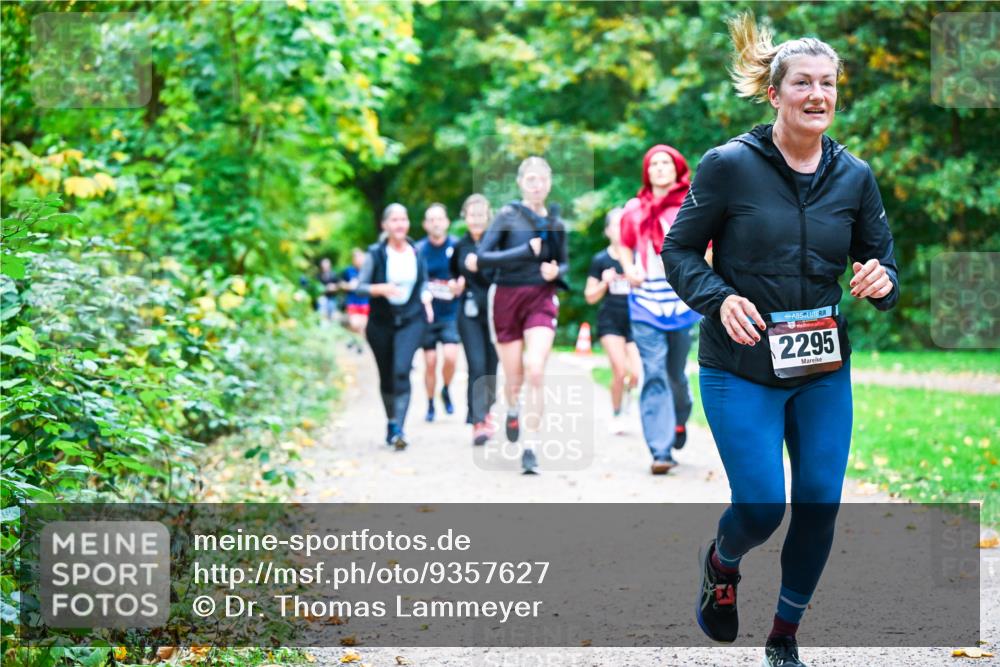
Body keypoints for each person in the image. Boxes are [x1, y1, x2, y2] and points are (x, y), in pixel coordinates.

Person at [661, 14, 899, 667]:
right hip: (741, 364)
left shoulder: (855, 177)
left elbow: (883, 261)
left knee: (820, 500)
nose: (817, 94)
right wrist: (719, 297)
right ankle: (722, 558)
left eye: (828, 83)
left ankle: (784, 634)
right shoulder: (729, 166)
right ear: (775, 93)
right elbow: (679, 251)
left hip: (821, 363)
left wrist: (882, 279)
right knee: (763, 504)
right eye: (803, 83)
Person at [467, 156, 569, 474]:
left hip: (541, 297)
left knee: (535, 369)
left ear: (549, 182)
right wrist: (524, 253)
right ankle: (512, 408)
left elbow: (563, 263)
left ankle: (530, 447)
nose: (537, 185)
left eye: (542, 179)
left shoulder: (555, 222)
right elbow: (481, 257)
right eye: (530, 180)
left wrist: (555, 271)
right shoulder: (508, 216)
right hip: (506, 298)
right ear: (520, 183)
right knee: (514, 379)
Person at [619, 144, 702, 474]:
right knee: (652, 372)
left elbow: (707, 247)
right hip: (644, 304)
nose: (660, 168)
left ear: (678, 168)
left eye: (666, 163)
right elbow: (624, 246)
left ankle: (679, 418)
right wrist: (629, 269)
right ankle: (660, 450)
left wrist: (700, 279)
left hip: (680, 302)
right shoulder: (634, 209)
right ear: (647, 172)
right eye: (654, 164)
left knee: (675, 375)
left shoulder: (691, 205)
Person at [356, 203, 435, 451]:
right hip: (381, 323)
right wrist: (382, 289)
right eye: (395, 220)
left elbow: (423, 282)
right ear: (385, 225)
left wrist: (426, 295)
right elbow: (360, 286)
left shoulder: (416, 251)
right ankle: (391, 422)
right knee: (387, 374)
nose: (400, 224)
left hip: (411, 320)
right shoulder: (376, 253)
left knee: (402, 370)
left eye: (404, 219)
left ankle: (400, 428)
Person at [584, 207, 641, 436]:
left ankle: (626, 403)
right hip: (610, 320)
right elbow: (590, 297)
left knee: (635, 374)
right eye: (616, 225)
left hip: (635, 321)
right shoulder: (601, 260)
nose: (621, 228)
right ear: (608, 230)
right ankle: (616, 413)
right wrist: (604, 282)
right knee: (619, 370)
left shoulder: (637, 257)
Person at [450, 193, 499, 445]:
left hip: (495, 312)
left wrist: (481, 266)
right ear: (465, 218)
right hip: (468, 312)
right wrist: (455, 284)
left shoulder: (497, 244)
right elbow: (452, 275)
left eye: (481, 215)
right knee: (476, 364)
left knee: (492, 366)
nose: (477, 219)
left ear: (488, 217)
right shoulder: (460, 246)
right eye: (472, 215)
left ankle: (486, 412)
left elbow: (504, 275)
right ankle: (478, 421)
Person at [416, 204, 462, 422]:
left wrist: (459, 285)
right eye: (431, 219)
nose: (435, 223)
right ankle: (430, 403)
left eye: (439, 219)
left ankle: (446, 389)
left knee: (451, 358)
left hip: (450, 313)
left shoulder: (456, 246)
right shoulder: (418, 250)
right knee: (431, 361)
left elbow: (465, 275)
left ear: (446, 222)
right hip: (427, 315)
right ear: (425, 224)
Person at [338, 248, 370, 353]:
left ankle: (359, 344)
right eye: (356, 258)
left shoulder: (368, 270)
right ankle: (357, 342)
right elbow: (340, 283)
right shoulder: (348, 271)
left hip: (365, 302)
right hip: (353, 302)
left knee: (363, 325)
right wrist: (349, 286)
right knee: (355, 324)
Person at [316, 257, 339, 324]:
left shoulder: (334, 275)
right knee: (322, 310)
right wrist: (326, 288)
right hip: (322, 297)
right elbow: (317, 288)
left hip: (332, 297)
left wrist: (334, 287)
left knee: (331, 313)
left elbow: (339, 286)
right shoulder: (318, 276)